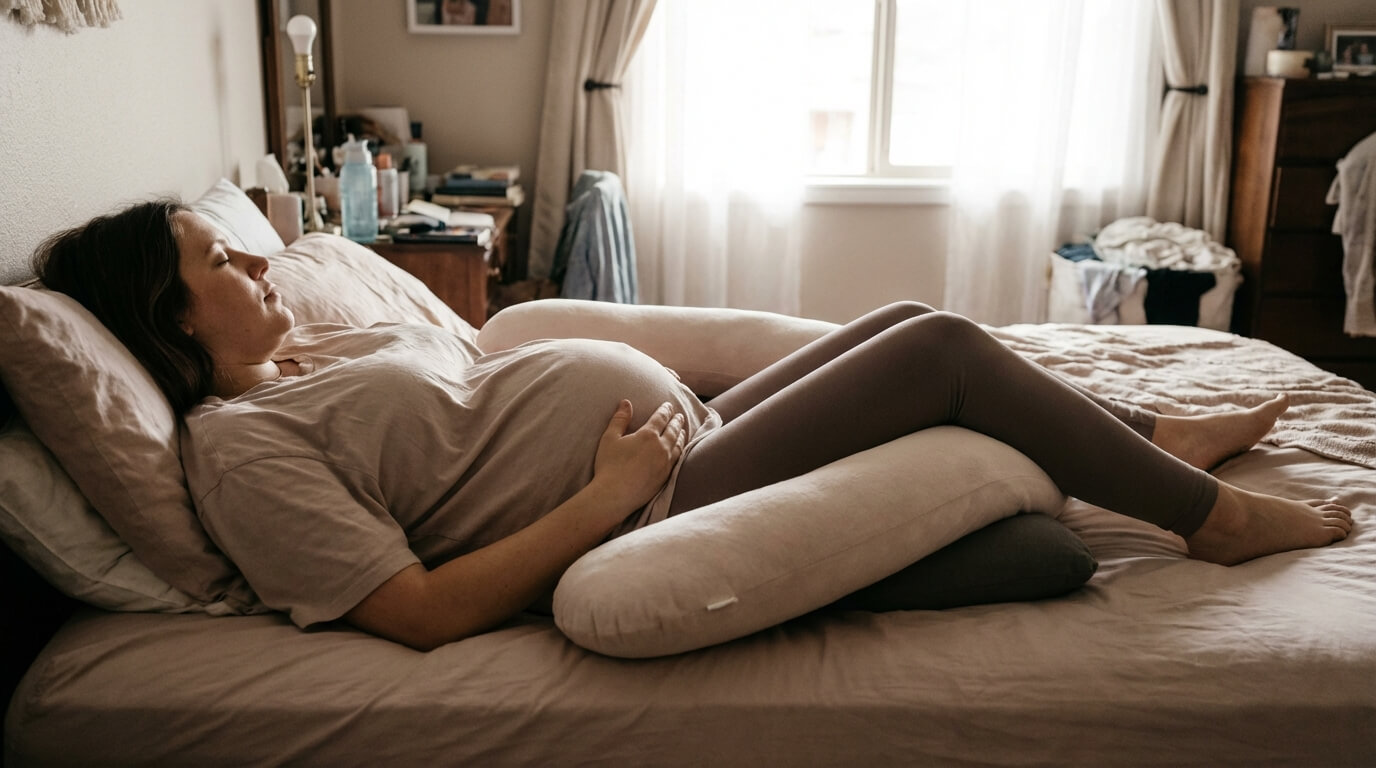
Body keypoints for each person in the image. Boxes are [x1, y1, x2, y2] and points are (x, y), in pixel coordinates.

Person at [33, 201, 1353, 651]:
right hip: (669, 492)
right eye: (227, 259)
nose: (263, 267)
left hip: (687, 433)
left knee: (895, 315)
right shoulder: (236, 450)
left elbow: (448, 420)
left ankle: (1140, 445)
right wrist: (608, 496)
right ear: (166, 308)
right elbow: (417, 614)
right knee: (947, 349)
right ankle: (1213, 523)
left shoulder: (288, 371)